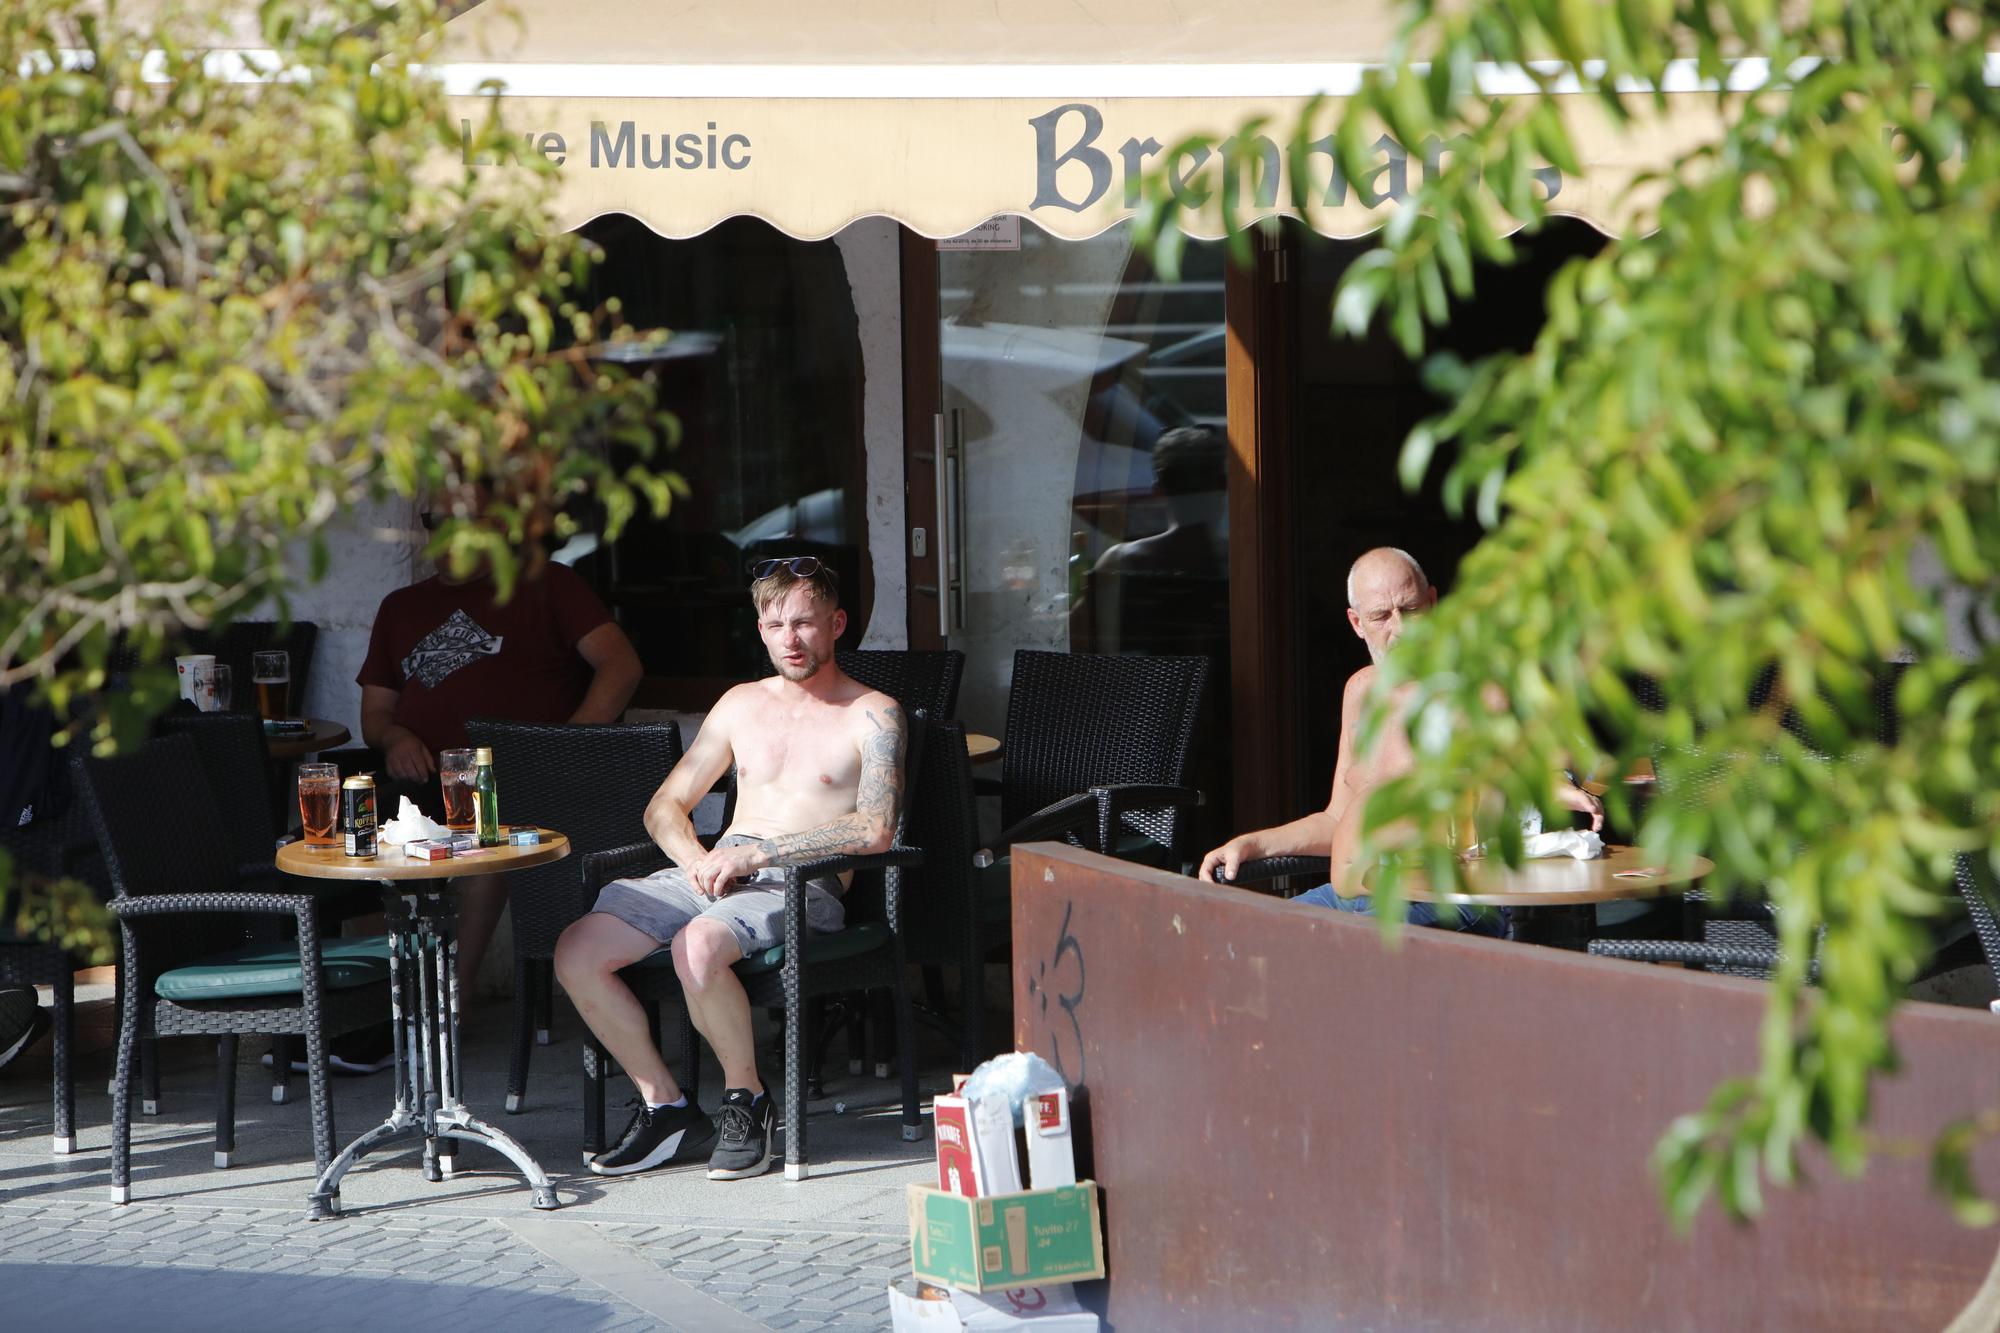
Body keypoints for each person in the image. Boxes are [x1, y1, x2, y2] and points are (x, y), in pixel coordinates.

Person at [554, 557, 905, 1180]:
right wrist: (697, 860)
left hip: (804, 874)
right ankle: (667, 1108)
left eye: (804, 623)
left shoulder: (873, 713)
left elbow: (875, 828)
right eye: (775, 625)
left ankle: (747, 1099)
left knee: (700, 944)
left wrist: (759, 854)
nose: (790, 640)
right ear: (760, 629)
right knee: (578, 949)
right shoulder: (740, 704)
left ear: (837, 624)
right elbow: (664, 807)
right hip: (719, 866)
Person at [330, 545, 641, 1075]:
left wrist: (564, 744)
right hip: (424, 776)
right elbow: (376, 714)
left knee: (482, 846)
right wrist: (396, 737)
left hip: (517, 780)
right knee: (351, 840)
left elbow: (622, 666)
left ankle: (447, 1011)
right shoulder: (402, 605)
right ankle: (375, 1010)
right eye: (436, 521)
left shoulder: (548, 584)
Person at [1198, 546, 1602, 933]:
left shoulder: (1476, 687)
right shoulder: (1361, 692)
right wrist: (1252, 844)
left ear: (1432, 602)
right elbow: (1337, 818)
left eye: (1410, 609)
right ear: (1357, 623)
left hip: (1443, 900)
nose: (1400, 629)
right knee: (1245, 937)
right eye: (1381, 616)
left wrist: (1555, 782)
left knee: (1334, 949)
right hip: (1350, 900)